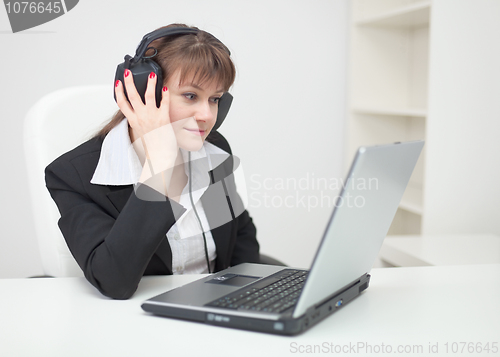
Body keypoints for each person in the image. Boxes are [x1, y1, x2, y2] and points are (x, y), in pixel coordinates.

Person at [45, 24, 260, 300]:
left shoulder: (213, 149)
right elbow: (114, 281)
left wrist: (255, 295)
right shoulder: (74, 176)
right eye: (191, 96)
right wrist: (160, 165)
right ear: (145, 91)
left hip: (216, 313)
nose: (207, 115)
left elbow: (239, 235)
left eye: (215, 99)